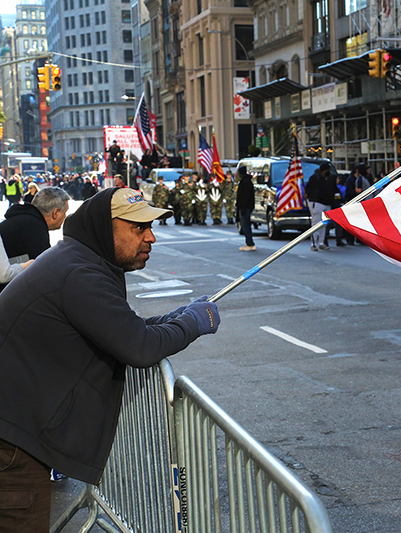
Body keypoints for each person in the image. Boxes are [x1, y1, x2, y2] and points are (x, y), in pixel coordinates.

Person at [0, 187, 220, 532]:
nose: (150, 237)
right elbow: (139, 347)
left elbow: (119, 329)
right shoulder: (81, 273)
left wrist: (174, 318)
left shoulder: (80, 260)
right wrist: (193, 323)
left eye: (150, 227)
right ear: (105, 228)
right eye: (137, 228)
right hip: (12, 442)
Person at [0, 187, 70, 269]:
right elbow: (44, 266)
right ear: (56, 213)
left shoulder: (25, 219)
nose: (65, 217)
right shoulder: (34, 226)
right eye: (65, 212)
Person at [305, 162, 337, 251]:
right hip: (317, 203)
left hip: (327, 203)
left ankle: (321, 242)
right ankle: (313, 243)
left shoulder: (328, 179)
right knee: (316, 224)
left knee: (324, 225)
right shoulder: (315, 178)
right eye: (328, 170)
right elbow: (308, 188)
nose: (329, 171)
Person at [236, 166, 256, 251]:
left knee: (245, 225)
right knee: (245, 225)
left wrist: (243, 207)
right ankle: (248, 242)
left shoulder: (246, 182)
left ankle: (250, 244)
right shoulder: (245, 181)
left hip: (246, 207)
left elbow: (246, 196)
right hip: (246, 206)